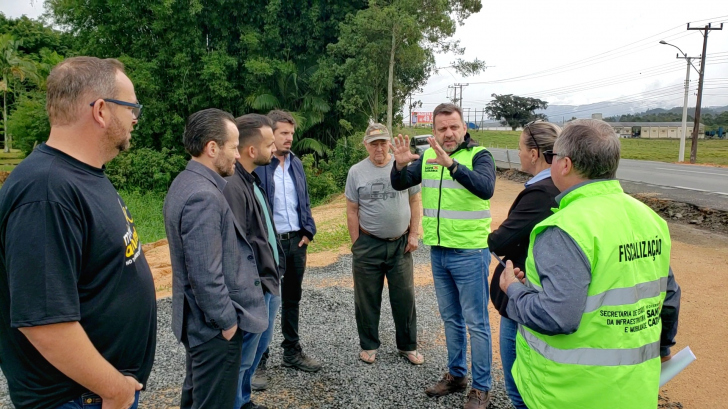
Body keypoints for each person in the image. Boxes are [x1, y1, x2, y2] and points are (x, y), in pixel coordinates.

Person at [0, 56, 157, 409]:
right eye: (131, 107)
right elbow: (44, 322)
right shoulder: (45, 191)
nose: (135, 117)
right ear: (101, 110)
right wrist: (114, 389)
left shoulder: (82, 175)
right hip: (77, 398)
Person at [500, 119, 681, 409]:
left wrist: (513, 290)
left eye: (554, 156)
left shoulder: (565, 228)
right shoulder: (649, 219)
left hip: (569, 392)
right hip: (634, 390)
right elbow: (669, 297)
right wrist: (664, 347)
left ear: (565, 164)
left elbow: (556, 317)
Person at [391, 103, 497, 409]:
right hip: (439, 252)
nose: (448, 133)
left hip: (470, 251)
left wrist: (451, 164)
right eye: (441, 128)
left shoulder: (480, 156)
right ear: (434, 131)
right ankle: (456, 375)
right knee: (450, 318)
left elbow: (486, 188)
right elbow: (399, 183)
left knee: (476, 322)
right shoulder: (427, 157)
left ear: (464, 128)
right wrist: (397, 165)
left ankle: (481, 387)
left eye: (453, 127)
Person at [164, 108, 267, 409]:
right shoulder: (203, 195)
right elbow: (205, 275)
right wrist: (227, 324)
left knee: (198, 398)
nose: (238, 155)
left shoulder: (186, 182)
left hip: (200, 326)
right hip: (212, 330)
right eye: (233, 147)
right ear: (212, 148)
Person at [487, 120, 561, 409]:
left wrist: (496, 241)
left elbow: (501, 241)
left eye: (519, 148)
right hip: (541, 291)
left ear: (534, 153)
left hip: (523, 295)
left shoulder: (540, 193)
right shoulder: (558, 187)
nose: (517, 154)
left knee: (518, 385)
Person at [345, 123, 423, 365]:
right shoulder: (356, 172)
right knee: (367, 298)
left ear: (389, 143)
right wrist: (357, 244)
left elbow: (415, 200)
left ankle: (407, 346)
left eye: (383, 142)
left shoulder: (402, 167)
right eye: (373, 143)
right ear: (365, 145)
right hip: (368, 244)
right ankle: (369, 345)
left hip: (400, 244)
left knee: (405, 297)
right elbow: (352, 210)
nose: (379, 147)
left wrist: (413, 234)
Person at [252, 110, 320, 384]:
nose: (289, 138)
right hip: (269, 244)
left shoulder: (297, 164)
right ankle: (259, 360)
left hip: (296, 242)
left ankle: (291, 351)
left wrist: (308, 231)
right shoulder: (258, 166)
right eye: (283, 133)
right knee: (264, 302)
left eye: (291, 133)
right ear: (269, 133)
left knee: (292, 298)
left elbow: (303, 200)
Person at [222, 114, 284, 409]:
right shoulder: (233, 186)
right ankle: (236, 403)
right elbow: (236, 246)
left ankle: (244, 401)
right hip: (255, 288)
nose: (275, 149)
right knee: (243, 358)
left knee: (255, 352)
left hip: (268, 282)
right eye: (270, 144)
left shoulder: (251, 180)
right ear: (251, 150)